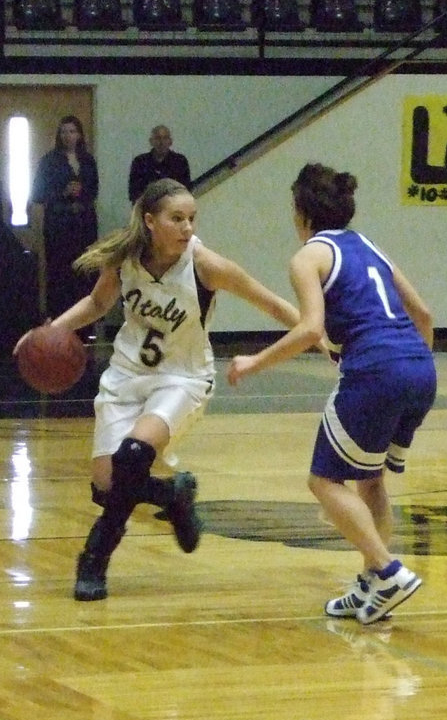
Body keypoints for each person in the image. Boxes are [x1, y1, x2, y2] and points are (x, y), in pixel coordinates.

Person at [14, 178, 300, 602]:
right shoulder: (126, 259)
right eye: (177, 219)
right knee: (105, 486)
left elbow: (272, 304)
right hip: (127, 377)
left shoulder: (205, 265)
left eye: (191, 219)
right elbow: (96, 305)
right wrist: (48, 331)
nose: (187, 228)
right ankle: (173, 493)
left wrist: (324, 336)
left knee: (133, 456)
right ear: (150, 221)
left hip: (182, 379)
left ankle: (93, 560)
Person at [228, 163, 436, 625]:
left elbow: (310, 328)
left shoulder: (307, 256)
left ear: (300, 212)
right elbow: (422, 313)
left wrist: (253, 362)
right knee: (371, 479)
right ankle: (370, 588)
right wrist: (413, 364)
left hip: (376, 371)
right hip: (421, 369)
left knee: (323, 480)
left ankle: (386, 571)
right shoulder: (368, 246)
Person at [30, 115, 99, 332]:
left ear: (79, 134)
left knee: (84, 271)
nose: (68, 136)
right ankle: (59, 322)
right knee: (60, 273)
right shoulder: (49, 161)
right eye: (64, 132)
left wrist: (82, 192)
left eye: (72, 131)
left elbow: (94, 190)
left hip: (83, 224)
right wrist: (63, 192)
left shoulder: (88, 160)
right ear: (59, 136)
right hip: (59, 225)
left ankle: (85, 325)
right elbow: (37, 194)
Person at [128, 125, 192, 203]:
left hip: (174, 208)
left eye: (165, 138)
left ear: (170, 142)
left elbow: (186, 191)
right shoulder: (140, 162)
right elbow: (134, 193)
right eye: (158, 138)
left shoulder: (180, 161)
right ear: (151, 141)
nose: (161, 142)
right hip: (148, 208)